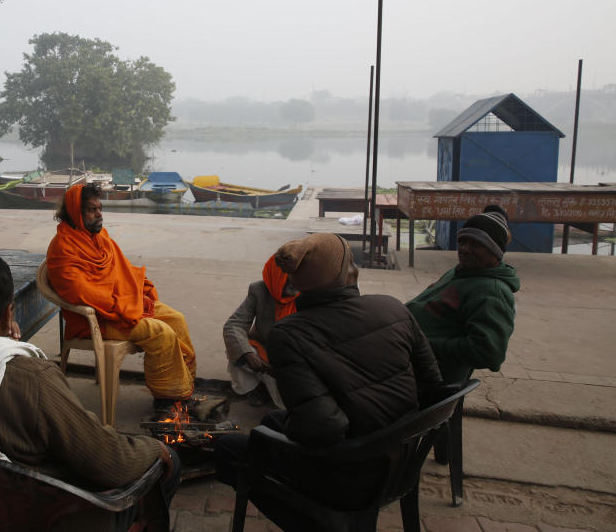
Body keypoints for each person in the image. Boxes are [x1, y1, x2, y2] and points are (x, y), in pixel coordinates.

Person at [0, 251, 178, 529]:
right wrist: (156, 449)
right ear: (9, 312)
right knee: (168, 461)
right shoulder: (32, 380)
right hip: (63, 519)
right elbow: (113, 463)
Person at [215, 233, 443, 529]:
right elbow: (433, 385)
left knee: (228, 450)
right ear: (352, 272)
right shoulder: (393, 307)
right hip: (402, 461)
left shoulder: (289, 334)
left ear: (298, 283)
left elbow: (323, 429)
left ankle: (322, 523)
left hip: (349, 475)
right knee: (272, 420)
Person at [46, 183, 197, 412]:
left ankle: (183, 388)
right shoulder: (62, 248)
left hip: (120, 308)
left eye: (100, 208)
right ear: (76, 212)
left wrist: (136, 292)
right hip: (96, 321)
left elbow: (121, 270)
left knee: (176, 319)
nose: (99, 214)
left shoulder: (99, 237)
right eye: (92, 209)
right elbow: (80, 292)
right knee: (160, 333)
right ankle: (167, 401)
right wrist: (125, 305)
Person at [406, 206, 520, 383]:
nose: (465, 249)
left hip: (427, 374)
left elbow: (488, 353)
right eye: (462, 242)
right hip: (407, 351)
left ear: (495, 252)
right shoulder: (460, 272)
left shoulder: (491, 292)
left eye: (476, 244)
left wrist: (423, 345)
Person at [222, 254, 299, 408]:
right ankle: (257, 388)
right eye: (288, 278)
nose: (294, 283)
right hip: (267, 350)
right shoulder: (259, 290)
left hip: (297, 357)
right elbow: (234, 325)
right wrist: (248, 354)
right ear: (275, 277)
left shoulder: (310, 292)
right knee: (237, 348)